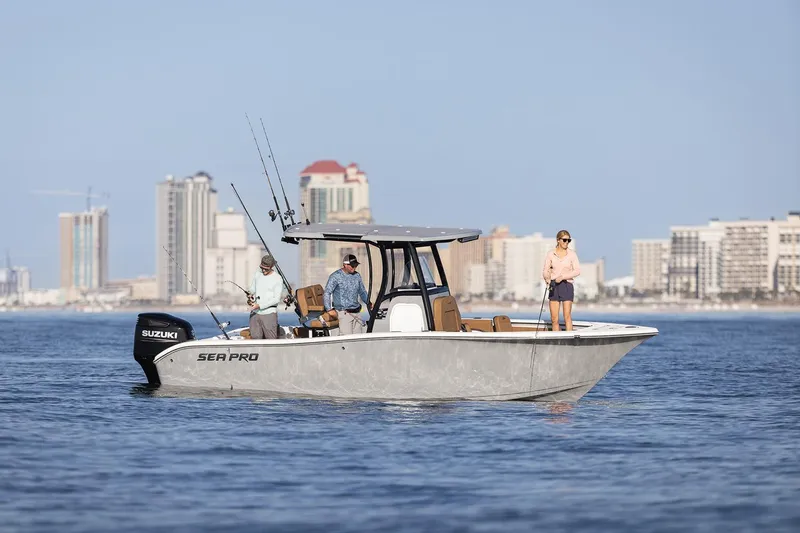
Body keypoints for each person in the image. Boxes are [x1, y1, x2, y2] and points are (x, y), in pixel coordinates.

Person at [542, 230, 581, 331]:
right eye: (564, 240)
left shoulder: (572, 254)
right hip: (554, 285)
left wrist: (563, 277)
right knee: (554, 319)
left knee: (567, 316)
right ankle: (556, 340)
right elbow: (545, 270)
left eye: (569, 240)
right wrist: (547, 279)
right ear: (558, 240)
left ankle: (569, 339)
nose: (566, 242)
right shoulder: (551, 254)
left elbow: (577, 271)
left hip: (567, 285)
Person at [323, 254, 372, 335]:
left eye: (355, 265)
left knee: (358, 340)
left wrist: (368, 302)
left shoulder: (357, 275)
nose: (354, 267)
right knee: (346, 341)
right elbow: (327, 293)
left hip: (357, 313)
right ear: (345, 265)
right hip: (344, 313)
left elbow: (362, 291)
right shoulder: (335, 276)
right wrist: (329, 309)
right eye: (352, 265)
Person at [248, 254, 284, 339]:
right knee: (255, 340)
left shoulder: (277, 278)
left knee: (271, 341)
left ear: (271, 267)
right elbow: (252, 288)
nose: (263, 270)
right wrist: (250, 294)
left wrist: (260, 305)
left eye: (266, 269)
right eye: (262, 268)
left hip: (269, 314)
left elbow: (276, 299)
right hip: (255, 313)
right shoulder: (258, 274)